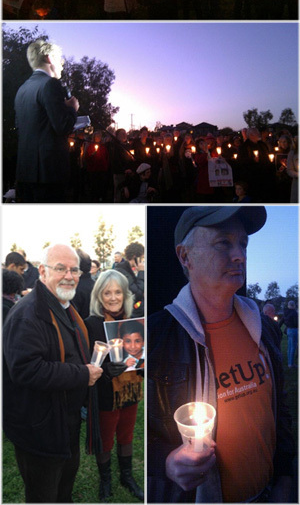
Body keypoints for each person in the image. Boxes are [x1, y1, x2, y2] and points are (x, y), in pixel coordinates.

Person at [148, 206, 295, 503]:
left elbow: (278, 409)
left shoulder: (263, 328)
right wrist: (165, 462)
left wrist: (285, 476)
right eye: (223, 242)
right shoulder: (157, 337)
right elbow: (141, 428)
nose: (239, 254)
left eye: (242, 243)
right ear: (185, 256)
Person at [3, 244, 103, 503]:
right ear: (42, 272)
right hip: (39, 429)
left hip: (64, 422)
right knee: (43, 494)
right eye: (60, 268)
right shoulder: (29, 314)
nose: (69, 275)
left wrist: (103, 365)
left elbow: (72, 351)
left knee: (63, 487)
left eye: (74, 270)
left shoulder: (64, 306)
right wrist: (82, 374)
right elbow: (26, 370)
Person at [85, 270, 144, 501]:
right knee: (107, 436)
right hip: (106, 391)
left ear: (125, 294)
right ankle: (106, 479)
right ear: (99, 295)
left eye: (117, 292)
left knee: (126, 434)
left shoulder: (134, 319)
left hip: (131, 388)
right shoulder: (91, 323)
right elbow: (87, 361)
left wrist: (143, 362)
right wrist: (105, 370)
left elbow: (141, 352)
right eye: (107, 292)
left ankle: (126, 476)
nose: (112, 297)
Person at [14, 39, 79, 203]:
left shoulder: (22, 89)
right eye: (60, 59)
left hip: (25, 172)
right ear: (49, 58)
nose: (62, 64)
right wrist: (72, 108)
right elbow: (63, 127)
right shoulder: (50, 84)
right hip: (49, 174)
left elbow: (23, 126)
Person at [279, 300, 298, 368]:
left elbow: (281, 321)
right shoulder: (294, 313)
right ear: (294, 305)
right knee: (293, 347)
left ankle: (289, 362)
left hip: (288, 330)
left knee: (289, 347)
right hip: (294, 330)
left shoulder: (285, 312)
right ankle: (291, 364)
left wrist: (278, 328)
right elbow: (296, 323)